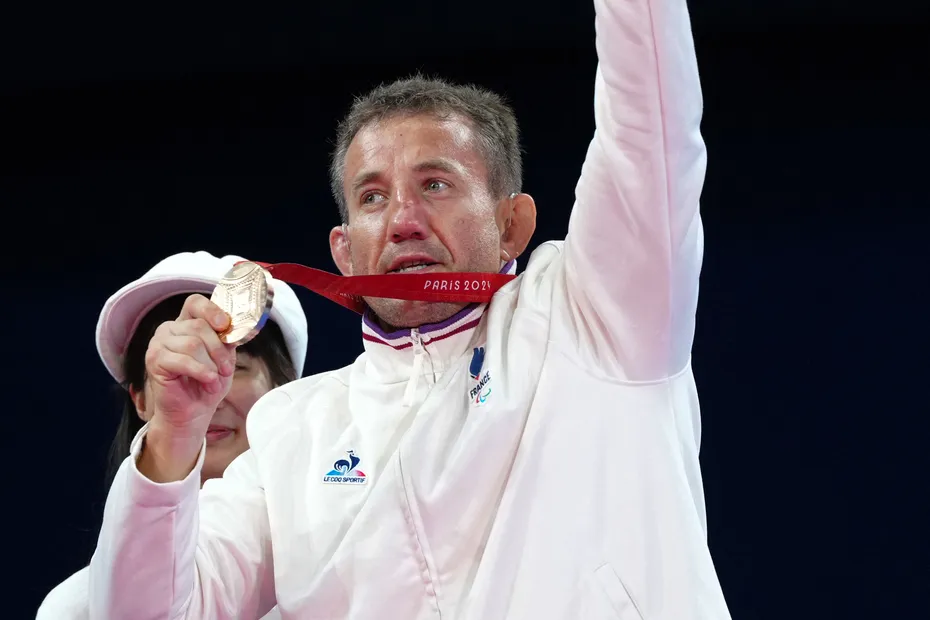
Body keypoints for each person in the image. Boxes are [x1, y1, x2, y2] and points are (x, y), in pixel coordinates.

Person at [88, 0, 733, 617]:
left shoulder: (594, 314)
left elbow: (652, 128)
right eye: (372, 197)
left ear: (513, 224)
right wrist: (172, 438)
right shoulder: (294, 433)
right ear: (343, 252)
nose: (403, 220)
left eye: (435, 184)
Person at [36, 251, 307, 620]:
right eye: (178, 369)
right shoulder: (74, 607)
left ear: (285, 387)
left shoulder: (335, 569)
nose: (210, 391)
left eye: (236, 367)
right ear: (141, 400)